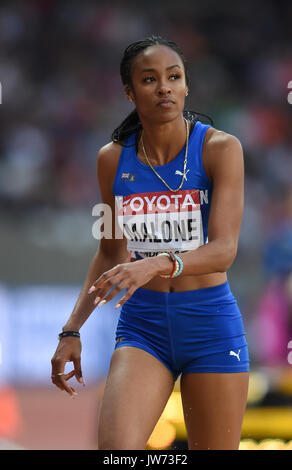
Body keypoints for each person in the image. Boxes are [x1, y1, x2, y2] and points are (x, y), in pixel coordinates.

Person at [51, 35, 249, 450]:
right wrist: (70, 330)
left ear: (186, 86)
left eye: (174, 77)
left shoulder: (220, 149)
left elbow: (224, 250)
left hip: (209, 324)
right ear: (129, 91)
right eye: (149, 79)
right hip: (144, 327)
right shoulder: (112, 159)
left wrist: (155, 263)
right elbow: (109, 250)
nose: (164, 87)